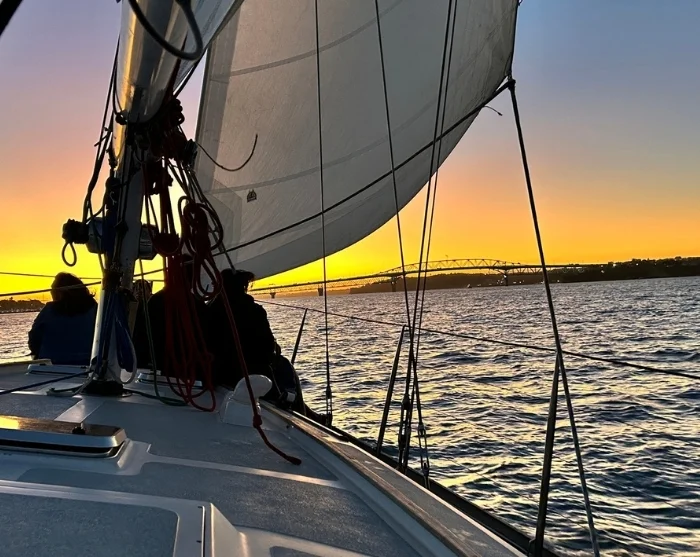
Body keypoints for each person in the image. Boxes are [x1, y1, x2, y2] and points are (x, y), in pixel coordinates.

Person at [207, 268, 327, 424]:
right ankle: (297, 408)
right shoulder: (255, 311)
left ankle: (310, 414)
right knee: (284, 366)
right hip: (250, 372)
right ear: (244, 287)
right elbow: (268, 348)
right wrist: (274, 351)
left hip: (219, 373)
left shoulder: (210, 310)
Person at [132, 256, 211, 375]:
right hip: (188, 370)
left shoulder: (156, 301)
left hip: (157, 368)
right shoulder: (198, 306)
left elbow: (143, 337)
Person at [28, 273, 98, 365]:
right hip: (88, 364)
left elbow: (34, 339)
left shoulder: (49, 310)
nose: (51, 293)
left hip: (53, 364)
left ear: (59, 292)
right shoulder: (95, 308)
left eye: (53, 290)